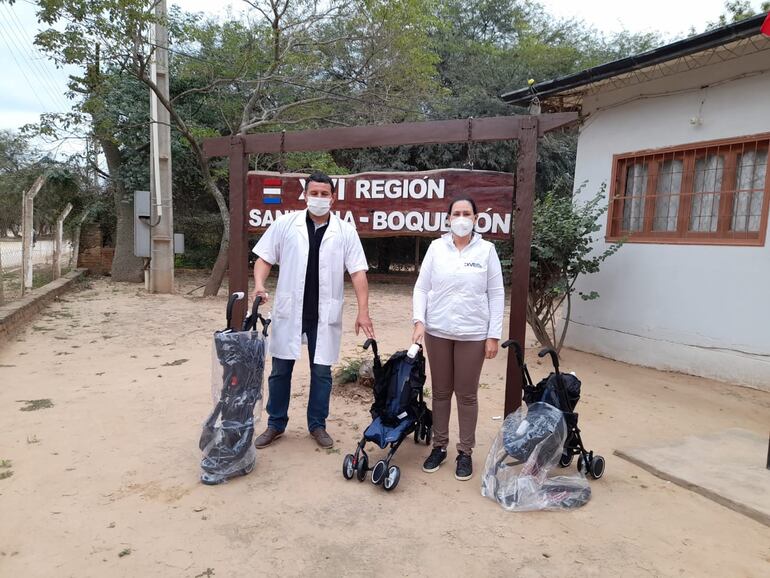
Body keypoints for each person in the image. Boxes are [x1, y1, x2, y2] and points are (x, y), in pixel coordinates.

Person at [251, 171, 375, 450]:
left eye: (324, 194)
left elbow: (358, 272)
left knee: (321, 372)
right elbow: (264, 259)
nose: (319, 198)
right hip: (290, 312)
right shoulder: (285, 224)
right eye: (314, 193)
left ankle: (317, 424)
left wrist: (363, 311)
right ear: (305, 195)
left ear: (333, 198)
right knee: (280, 370)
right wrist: (259, 284)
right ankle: (275, 423)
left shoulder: (345, 231)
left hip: (323, 315)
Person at [412, 197, 504, 480]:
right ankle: (439, 446)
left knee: (466, 394)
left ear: (475, 218)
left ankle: (465, 452)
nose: (461, 218)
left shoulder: (486, 251)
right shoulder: (436, 248)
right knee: (440, 392)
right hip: (438, 331)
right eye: (456, 213)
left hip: (473, 334)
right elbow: (422, 288)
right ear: (448, 218)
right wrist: (419, 321)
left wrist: (493, 335)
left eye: (467, 213)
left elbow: (496, 294)